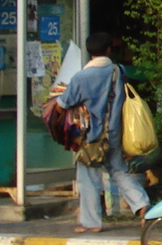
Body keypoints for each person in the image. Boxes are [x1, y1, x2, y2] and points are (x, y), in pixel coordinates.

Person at [59, 31, 149, 233]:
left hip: (91, 137)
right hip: (114, 132)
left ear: (89, 51)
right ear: (109, 50)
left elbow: (64, 103)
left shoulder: (81, 77)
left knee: (89, 177)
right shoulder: (118, 71)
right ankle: (143, 205)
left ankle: (91, 223)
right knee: (118, 170)